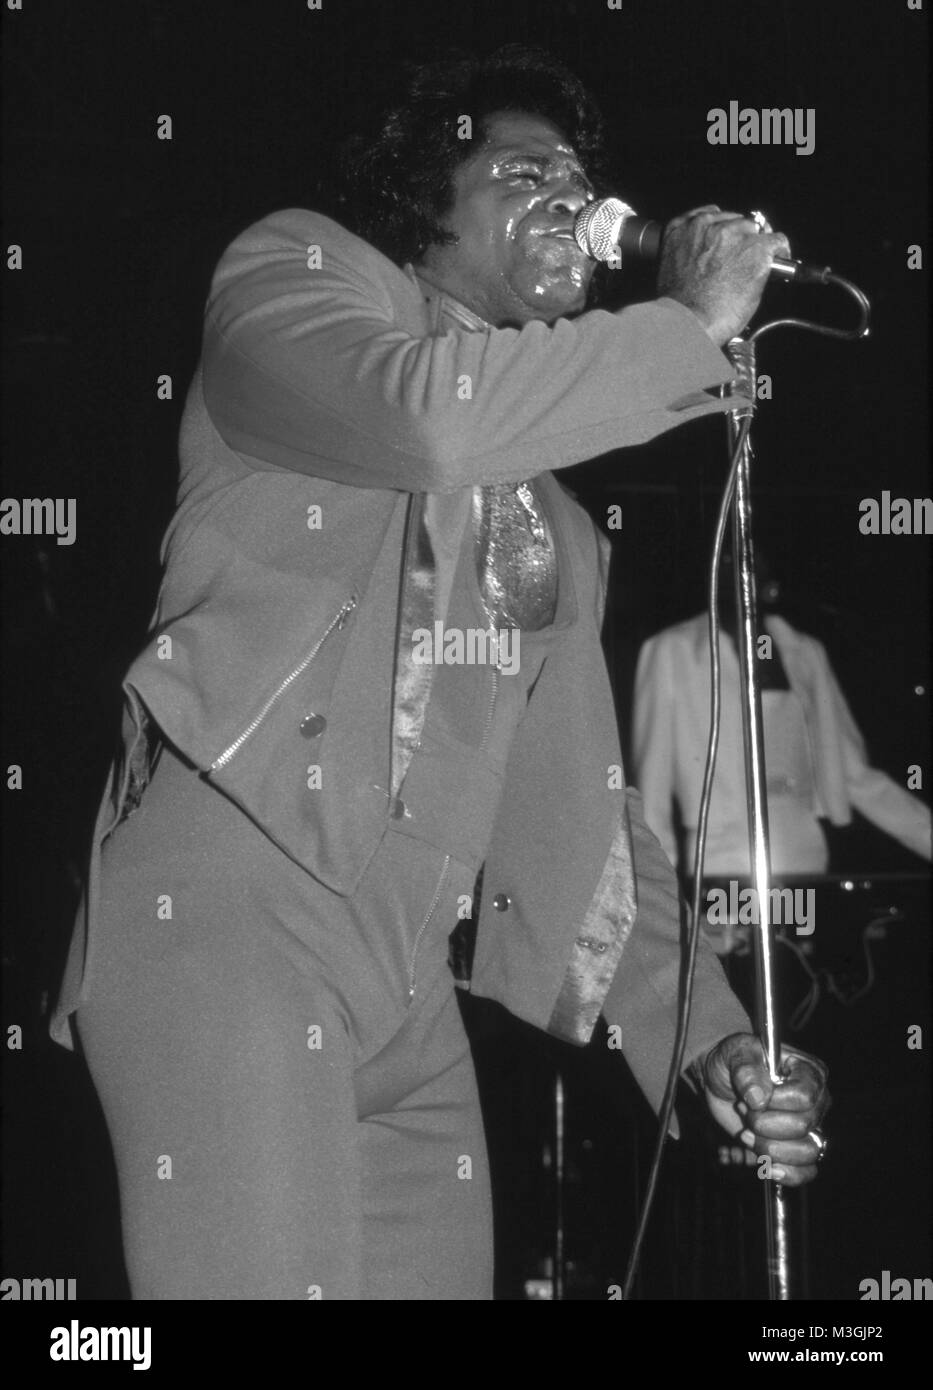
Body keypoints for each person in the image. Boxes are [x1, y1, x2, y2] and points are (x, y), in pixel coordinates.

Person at [51, 46, 828, 1301]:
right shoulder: (292, 281)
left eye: (584, 177)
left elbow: (588, 839)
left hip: (406, 1000)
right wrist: (684, 329)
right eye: (524, 172)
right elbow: (429, 420)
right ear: (424, 205)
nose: (571, 198)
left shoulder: (560, 535)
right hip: (234, 916)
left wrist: (721, 1046)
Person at [633, 553, 932, 879]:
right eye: (728, 560)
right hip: (718, 861)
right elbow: (652, 784)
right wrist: (661, 888)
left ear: (770, 583)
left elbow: (855, 775)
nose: (738, 568)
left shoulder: (805, 653)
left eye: (750, 559)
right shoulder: (672, 650)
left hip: (802, 853)